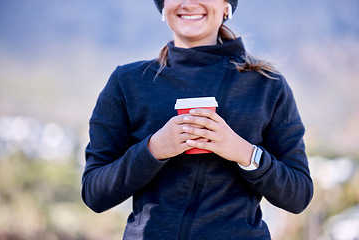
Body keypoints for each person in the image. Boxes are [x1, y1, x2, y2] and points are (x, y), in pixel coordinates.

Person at [81, 0, 314, 239]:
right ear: (163, 5)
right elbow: (94, 193)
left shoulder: (266, 85)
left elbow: (298, 195)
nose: (189, 3)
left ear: (226, 6)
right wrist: (153, 150)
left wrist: (243, 152)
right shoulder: (127, 82)